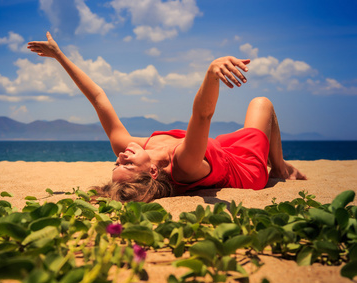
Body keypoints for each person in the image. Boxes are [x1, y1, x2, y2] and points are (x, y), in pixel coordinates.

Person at [28, 32, 306, 203]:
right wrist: (212, 73)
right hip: (245, 168)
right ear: (151, 172)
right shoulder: (184, 165)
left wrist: (59, 56)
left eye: (117, 161)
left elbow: (99, 98)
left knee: (243, 123)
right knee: (262, 103)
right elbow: (202, 115)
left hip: (222, 147)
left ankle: (280, 165)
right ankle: (278, 168)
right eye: (126, 163)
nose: (120, 156)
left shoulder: (132, 148)